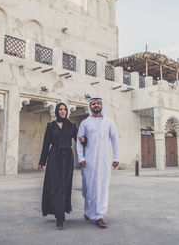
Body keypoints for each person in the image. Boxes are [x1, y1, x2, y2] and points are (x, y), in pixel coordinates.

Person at [38, 103, 84, 230]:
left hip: (67, 158)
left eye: (64, 109)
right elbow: (46, 144)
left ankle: (60, 216)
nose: (62, 111)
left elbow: (79, 140)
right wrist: (42, 161)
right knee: (53, 185)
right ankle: (56, 211)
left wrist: (85, 141)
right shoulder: (51, 126)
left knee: (63, 186)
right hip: (54, 157)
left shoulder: (72, 126)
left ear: (67, 112)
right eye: (60, 109)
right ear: (57, 111)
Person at [76, 98, 120, 228]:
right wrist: (81, 158)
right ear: (90, 107)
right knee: (88, 188)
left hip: (104, 160)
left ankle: (99, 215)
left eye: (98, 103)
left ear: (102, 105)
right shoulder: (85, 122)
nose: (96, 105)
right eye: (93, 104)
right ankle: (88, 210)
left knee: (101, 187)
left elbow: (115, 140)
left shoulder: (108, 122)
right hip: (88, 161)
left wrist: (116, 157)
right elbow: (79, 141)